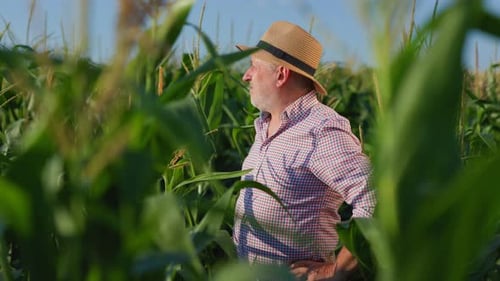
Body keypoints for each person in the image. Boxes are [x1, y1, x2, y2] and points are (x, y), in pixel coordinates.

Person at [232, 21, 377, 281]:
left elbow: (378, 200)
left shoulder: (320, 131)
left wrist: (333, 272)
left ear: (281, 74)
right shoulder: (266, 125)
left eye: (254, 65)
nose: (246, 75)